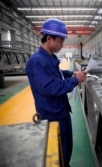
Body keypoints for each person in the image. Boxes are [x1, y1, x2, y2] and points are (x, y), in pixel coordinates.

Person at [26, 18, 87, 167]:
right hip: (51, 115)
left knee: (66, 150)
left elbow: (56, 74)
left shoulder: (49, 58)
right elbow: (51, 87)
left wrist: (71, 74)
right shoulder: (37, 61)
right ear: (49, 39)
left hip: (61, 111)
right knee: (59, 152)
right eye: (60, 41)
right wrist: (74, 81)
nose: (62, 45)